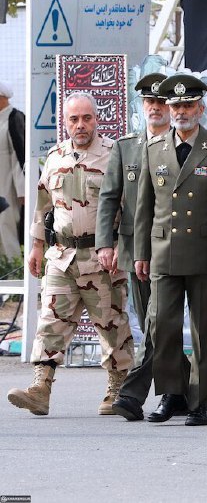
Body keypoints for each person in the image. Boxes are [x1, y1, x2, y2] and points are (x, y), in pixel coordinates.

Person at [7, 92, 134, 416]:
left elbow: (130, 209)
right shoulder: (55, 156)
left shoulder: (112, 155)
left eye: (87, 118)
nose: (81, 125)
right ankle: (40, 388)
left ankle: (116, 390)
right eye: (74, 119)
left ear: (96, 119)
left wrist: (122, 248)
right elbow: (42, 206)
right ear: (65, 122)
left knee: (111, 326)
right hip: (62, 257)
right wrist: (36, 246)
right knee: (50, 322)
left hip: (101, 257)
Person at [134, 74, 207, 426]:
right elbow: (144, 208)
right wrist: (141, 253)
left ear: (201, 107)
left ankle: (199, 401)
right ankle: (172, 394)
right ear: (168, 108)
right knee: (160, 326)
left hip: (206, 253)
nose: (181, 111)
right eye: (175, 105)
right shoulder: (153, 148)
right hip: (164, 251)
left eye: (187, 105)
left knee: (201, 331)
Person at [96, 73, 189, 422]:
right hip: (135, 249)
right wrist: (105, 243)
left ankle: (133, 393)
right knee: (156, 323)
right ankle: (184, 389)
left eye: (161, 101)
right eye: (149, 101)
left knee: (158, 322)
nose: (155, 107)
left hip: (172, 249)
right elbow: (109, 197)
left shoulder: (184, 145)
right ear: (142, 106)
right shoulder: (127, 146)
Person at [0, 80, 25, 260]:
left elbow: (20, 157)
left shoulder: (14, 117)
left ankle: (13, 272)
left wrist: (23, 191)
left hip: (8, 185)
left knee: (6, 224)